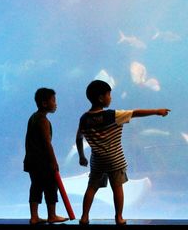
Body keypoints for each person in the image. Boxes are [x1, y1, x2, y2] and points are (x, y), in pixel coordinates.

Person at [76, 80, 170, 225]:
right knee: (117, 188)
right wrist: (157, 111)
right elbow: (135, 113)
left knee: (91, 188)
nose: (111, 98)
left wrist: (82, 156)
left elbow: (79, 138)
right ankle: (119, 217)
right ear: (101, 98)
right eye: (109, 95)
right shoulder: (112, 115)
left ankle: (84, 217)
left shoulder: (84, 118)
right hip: (115, 160)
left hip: (97, 160)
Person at [23, 87, 68, 225]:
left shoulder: (33, 117)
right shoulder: (43, 120)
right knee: (50, 187)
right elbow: (47, 144)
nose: (55, 104)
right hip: (43, 162)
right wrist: (54, 162)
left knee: (36, 187)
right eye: (53, 100)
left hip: (31, 161)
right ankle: (52, 215)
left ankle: (34, 216)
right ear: (44, 103)